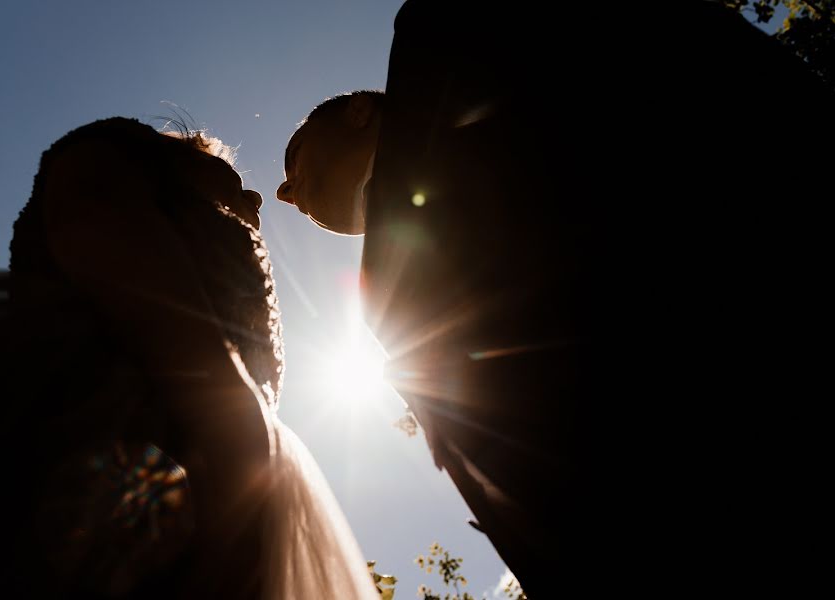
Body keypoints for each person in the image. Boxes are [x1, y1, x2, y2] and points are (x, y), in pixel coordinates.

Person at [277, 0, 834, 593]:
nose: (287, 191)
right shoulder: (382, 299)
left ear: (359, 113)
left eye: (299, 157)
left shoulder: (442, 38)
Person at [0, 117, 379, 599]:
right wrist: (231, 415)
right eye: (231, 179)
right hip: (94, 425)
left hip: (216, 469)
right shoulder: (113, 157)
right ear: (179, 165)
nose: (261, 199)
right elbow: (93, 217)